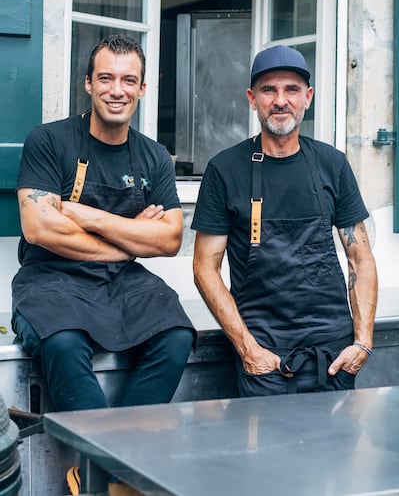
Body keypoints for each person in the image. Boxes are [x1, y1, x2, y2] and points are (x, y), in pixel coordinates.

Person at [12, 34, 196, 494]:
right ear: (88, 85)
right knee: (62, 342)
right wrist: (130, 238)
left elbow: (170, 238)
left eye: (128, 80)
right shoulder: (49, 140)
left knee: (175, 336)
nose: (118, 89)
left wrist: (86, 215)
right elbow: (40, 230)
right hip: (49, 276)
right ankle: (106, 469)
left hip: (121, 281)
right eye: (107, 78)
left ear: (142, 88)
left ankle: (107, 474)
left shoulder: (153, 156)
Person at [192, 44, 378, 397]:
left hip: (335, 354)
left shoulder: (332, 164)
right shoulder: (224, 170)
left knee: (334, 451)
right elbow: (204, 268)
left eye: (291, 89)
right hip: (264, 355)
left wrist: (363, 343)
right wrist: (249, 350)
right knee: (267, 451)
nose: (280, 100)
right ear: (252, 98)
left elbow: (360, 257)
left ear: (307, 97)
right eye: (268, 90)